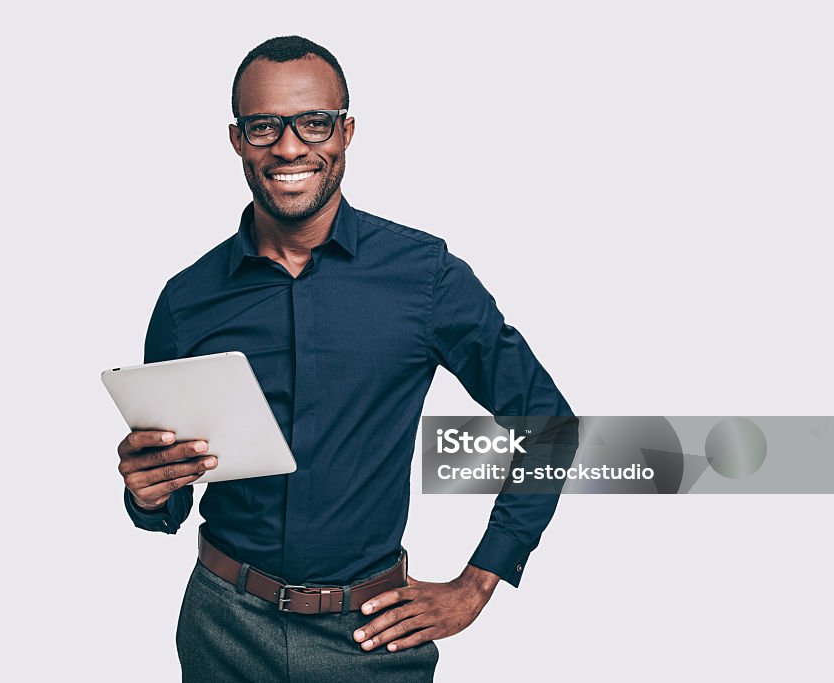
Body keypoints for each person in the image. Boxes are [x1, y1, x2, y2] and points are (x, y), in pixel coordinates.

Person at [116, 35, 574, 682]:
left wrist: (479, 581)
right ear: (237, 139)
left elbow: (548, 421)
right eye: (264, 126)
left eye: (314, 123)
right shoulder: (187, 301)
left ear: (346, 131)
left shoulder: (426, 277)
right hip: (221, 629)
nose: (291, 146)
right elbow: (165, 503)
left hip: (370, 636)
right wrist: (145, 491)